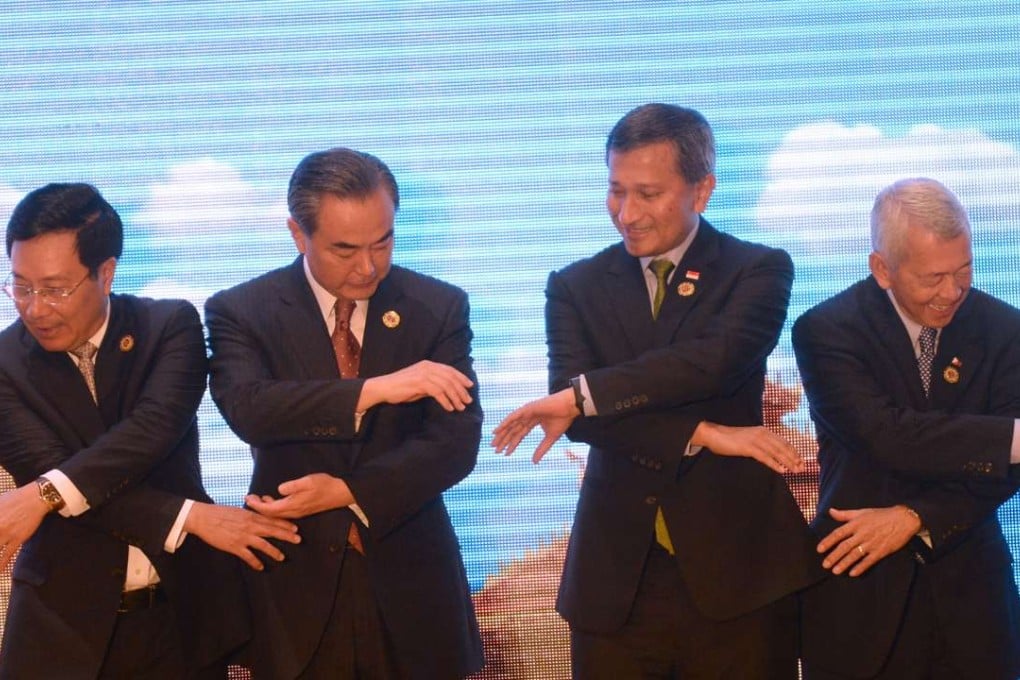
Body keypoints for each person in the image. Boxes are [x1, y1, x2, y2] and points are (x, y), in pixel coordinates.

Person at [492, 103, 821, 678]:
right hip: (616, 579)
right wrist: (702, 432)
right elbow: (585, 419)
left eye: (648, 194)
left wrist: (583, 394)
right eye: (616, 191)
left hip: (739, 574)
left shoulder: (757, 270)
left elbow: (712, 363)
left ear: (703, 190)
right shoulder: (576, 285)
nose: (627, 214)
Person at [0, 183, 301, 679]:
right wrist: (191, 518)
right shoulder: (6, 365)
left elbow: (150, 432)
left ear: (106, 272)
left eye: (54, 289)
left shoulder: (169, 326)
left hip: (181, 621)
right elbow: (50, 469)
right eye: (21, 286)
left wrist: (43, 496)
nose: (34, 308)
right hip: (61, 632)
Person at [205, 147, 483, 679]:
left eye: (384, 242)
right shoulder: (242, 310)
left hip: (412, 583)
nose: (369, 266)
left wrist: (352, 492)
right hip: (294, 589)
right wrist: (376, 390)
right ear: (297, 234)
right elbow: (251, 409)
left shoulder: (437, 306)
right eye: (345, 249)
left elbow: (456, 442)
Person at [792, 177, 1020, 679]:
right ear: (883, 269)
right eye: (933, 278)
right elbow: (887, 437)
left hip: (973, 603)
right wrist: (1008, 440)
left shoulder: (1005, 330)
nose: (952, 292)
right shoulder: (825, 332)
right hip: (856, 594)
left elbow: (1005, 473)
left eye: (964, 271)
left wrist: (917, 517)